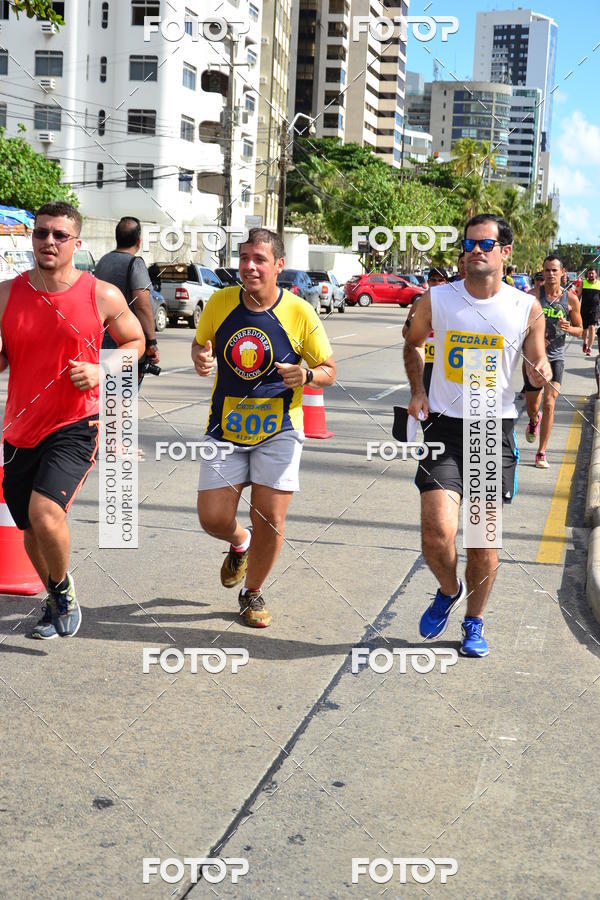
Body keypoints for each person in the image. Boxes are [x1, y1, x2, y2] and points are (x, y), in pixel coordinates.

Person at [404, 214, 551, 658]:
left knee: (483, 540)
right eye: (469, 244)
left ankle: (474, 620)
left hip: (493, 427)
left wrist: (539, 373)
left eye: (485, 244)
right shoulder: (438, 298)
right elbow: (412, 343)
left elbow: (534, 363)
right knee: (436, 532)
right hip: (444, 428)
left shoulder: (526, 308)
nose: (475, 251)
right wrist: (416, 391)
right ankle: (448, 590)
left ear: (506, 252)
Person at [0, 201, 144, 639]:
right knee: (28, 525)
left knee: (45, 515)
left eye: (59, 235)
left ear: (76, 243)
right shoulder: (7, 292)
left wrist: (102, 370)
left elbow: (136, 342)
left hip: (76, 423)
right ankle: (53, 598)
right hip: (20, 426)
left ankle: (62, 591)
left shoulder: (101, 294)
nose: (48, 241)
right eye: (42, 232)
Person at [191, 228, 336, 628]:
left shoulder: (299, 312)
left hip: (280, 429)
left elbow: (329, 370)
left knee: (270, 517)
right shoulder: (220, 303)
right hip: (226, 427)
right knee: (212, 518)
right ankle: (240, 542)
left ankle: (251, 591)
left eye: (259, 259)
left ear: (279, 266)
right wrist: (201, 360)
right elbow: (200, 344)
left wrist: (306, 376)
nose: (250, 267)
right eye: (244, 259)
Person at [524, 255, 582, 468]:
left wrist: (569, 328)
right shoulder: (532, 297)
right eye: (547, 270)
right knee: (533, 406)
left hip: (556, 358)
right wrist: (534, 337)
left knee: (549, 403)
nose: (550, 274)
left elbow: (580, 329)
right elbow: (520, 328)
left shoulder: (571, 299)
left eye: (554, 270)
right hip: (534, 359)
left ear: (562, 272)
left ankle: (541, 452)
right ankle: (533, 420)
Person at [95, 216, 159, 379]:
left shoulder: (103, 261)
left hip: (102, 340)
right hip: (127, 341)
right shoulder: (135, 263)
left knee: (106, 395)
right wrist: (151, 342)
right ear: (139, 241)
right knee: (123, 400)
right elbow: (142, 305)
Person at [402, 267, 448, 394]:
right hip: (426, 361)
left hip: (445, 361)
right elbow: (405, 333)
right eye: (433, 280)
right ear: (428, 282)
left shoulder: (451, 304)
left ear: (446, 283)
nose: (436, 283)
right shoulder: (419, 303)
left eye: (441, 280)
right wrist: (413, 320)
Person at [577, 267, 600, 356]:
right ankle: (585, 341)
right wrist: (576, 307)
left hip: (595, 309)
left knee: (592, 327)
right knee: (585, 329)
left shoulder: (599, 284)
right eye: (589, 273)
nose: (591, 275)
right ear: (587, 275)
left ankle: (589, 348)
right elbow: (578, 296)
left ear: (596, 274)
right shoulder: (583, 283)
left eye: (592, 273)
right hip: (584, 308)